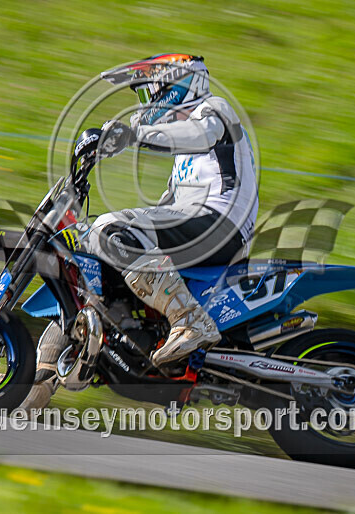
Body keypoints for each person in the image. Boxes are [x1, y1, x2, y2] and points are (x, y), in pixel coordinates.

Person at [87, 54, 259, 367]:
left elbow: (201, 134)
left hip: (221, 224)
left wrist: (134, 135)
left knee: (109, 228)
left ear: (176, 86)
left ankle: (189, 319)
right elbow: (167, 208)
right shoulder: (184, 153)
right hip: (204, 223)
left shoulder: (215, 109)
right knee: (101, 237)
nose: (147, 103)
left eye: (150, 92)